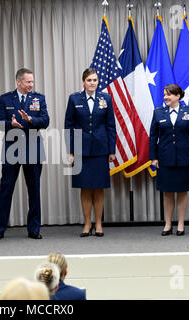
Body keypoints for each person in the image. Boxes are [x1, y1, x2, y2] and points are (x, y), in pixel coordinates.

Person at [0, 68, 50, 240]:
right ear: (19, 82)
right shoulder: (6, 98)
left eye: (32, 82)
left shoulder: (39, 98)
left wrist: (31, 120)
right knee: (6, 190)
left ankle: (34, 229)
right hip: (12, 149)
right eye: (28, 82)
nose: (31, 85)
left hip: (33, 149)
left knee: (34, 191)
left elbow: (46, 121)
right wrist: (11, 124)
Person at [64, 68, 116, 237]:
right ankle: (87, 224)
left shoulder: (106, 98)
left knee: (99, 188)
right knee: (85, 188)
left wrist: (111, 150)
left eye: (94, 80)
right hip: (81, 150)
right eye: (89, 80)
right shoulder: (74, 99)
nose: (92, 83)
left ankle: (99, 224)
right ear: (83, 82)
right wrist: (70, 150)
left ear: (97, 81)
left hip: (101, 149)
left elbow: (110, 126)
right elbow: (69, 126)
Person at [149, 84, 189, 236]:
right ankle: (167, 224)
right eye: (164, 94)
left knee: (183, 191)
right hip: (165, 158)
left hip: (184, 158)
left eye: (169, 94)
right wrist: (153, 157)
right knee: (167, 192)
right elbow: (153, 136)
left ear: (178, 96)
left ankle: (181, 224)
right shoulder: (158, 113)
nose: (165, 97)